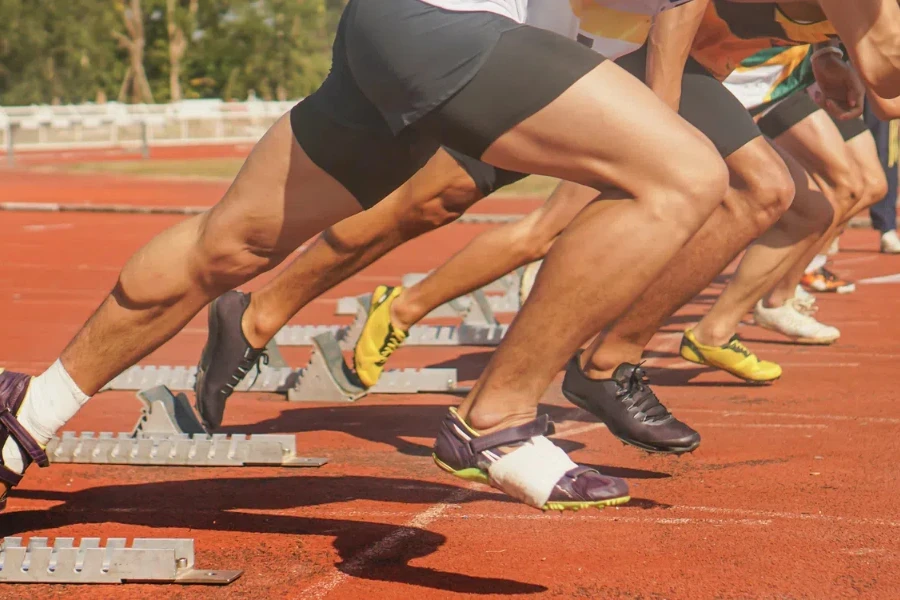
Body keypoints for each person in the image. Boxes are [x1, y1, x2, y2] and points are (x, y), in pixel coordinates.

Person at [0, 0, 733, 512]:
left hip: (394, 23)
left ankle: (30, 410)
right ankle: (496, 417)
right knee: (685, 174)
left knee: (228, 243)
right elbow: (665, 95)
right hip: (450, 31)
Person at [863, 99, 900, 253]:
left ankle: (886, 227)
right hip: (838, 78)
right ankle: (832, 230)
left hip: (881, 82)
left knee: (885, 149)